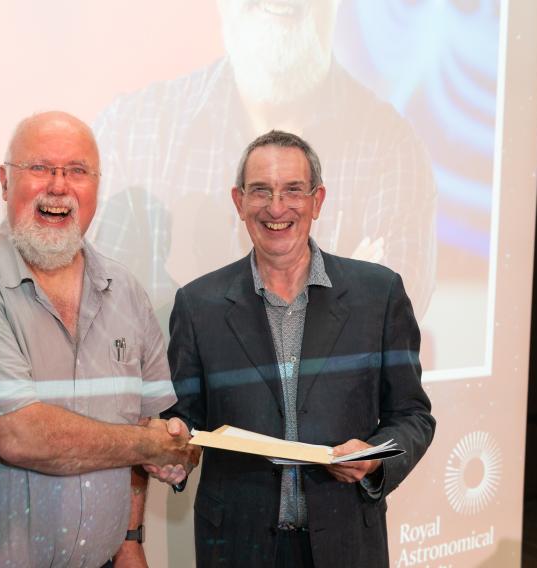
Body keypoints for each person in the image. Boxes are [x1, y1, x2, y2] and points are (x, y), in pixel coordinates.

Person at [0, 111, 198, 568]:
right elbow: (19, 434)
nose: (59, 187)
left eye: (77, 171)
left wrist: (132, 534)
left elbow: (145, 424)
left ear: (96, 187)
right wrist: (149, 445)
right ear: (5, 182)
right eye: (40, 168)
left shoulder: (127, 292)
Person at [162, 130, 436, 567]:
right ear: (239, 201)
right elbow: (183, 419)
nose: (276, 208)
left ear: (317, 200)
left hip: (346, 544)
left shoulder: (379, 294)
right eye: (260, 191)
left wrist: (374, 460)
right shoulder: (198, 305)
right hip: (235, 547)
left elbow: (413, 417)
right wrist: (171, 449)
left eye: (293, 190)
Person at [90, 0, 436, 324]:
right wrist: (330, 305)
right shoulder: (130, 135)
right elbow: (97, 333)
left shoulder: (393, 152)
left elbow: (386, 326)